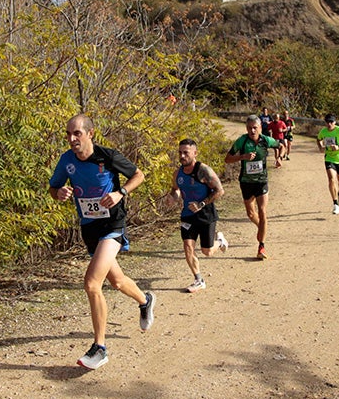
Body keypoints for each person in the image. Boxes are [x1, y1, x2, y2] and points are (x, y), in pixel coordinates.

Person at [49, 114, 156, 370]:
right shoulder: (66, 161)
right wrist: (59, 193)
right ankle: (145, 301)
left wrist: (120, 193)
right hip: (90, 227)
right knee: (116, 281)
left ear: (90, 134)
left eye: (77, 133)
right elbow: (53, 188)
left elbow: (138, 175)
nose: (72, 139)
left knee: (91, 284)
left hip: (113, 225)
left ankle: (100, 348)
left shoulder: (107, 156)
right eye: (69, 134)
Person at [166, 139, 229, 293]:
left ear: (195, 153)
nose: (182, 156)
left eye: (186, 152)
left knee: (207, 251)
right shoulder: (178, 173)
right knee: (188, 247)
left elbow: (219, 190)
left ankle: (219, 242)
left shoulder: (204, 171)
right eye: (180, 152)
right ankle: (198, 279)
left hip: (206, 215)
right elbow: (175, 189)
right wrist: (173, 197)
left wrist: (201, 204)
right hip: (188, 216)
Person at [225, 114, 281, 260]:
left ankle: (261, 246)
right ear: (246, 128)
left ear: (260, 128)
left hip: (261, 181)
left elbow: (279, 146)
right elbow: (227, 159)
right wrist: (242, 157)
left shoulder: (266, 140)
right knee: (251, 214)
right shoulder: (241, 141)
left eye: (255, 128)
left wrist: (279, 158)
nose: (252, 131)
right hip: (246, 182)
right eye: (249, 128)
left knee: (262, 211)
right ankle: (262, 227)